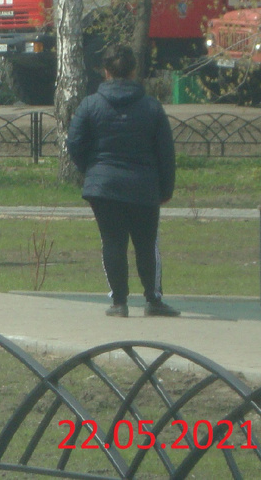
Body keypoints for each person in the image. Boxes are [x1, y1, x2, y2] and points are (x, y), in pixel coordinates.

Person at [67, 44, 179, 318]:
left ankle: (119, 302)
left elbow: (75, 144)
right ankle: (153, 299)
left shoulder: (90, 105)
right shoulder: (152, 107)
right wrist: (166, 189)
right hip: (143, 185)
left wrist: (92, 170)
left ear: (105, 72)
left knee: (112, 242)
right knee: (146, 242)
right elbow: (166, 152)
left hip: (103, 187)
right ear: (133, 71)